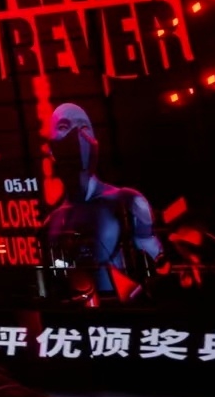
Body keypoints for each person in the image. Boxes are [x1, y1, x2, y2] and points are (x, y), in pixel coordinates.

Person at [43, 102, 160, 297]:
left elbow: (157, 265)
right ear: (51, 149)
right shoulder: (52, 223)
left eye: (83, 127)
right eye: (64, 127)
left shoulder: (128, 202)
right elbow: (53, 280)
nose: (77, 135)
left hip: (128, 310)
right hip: (75, 312)